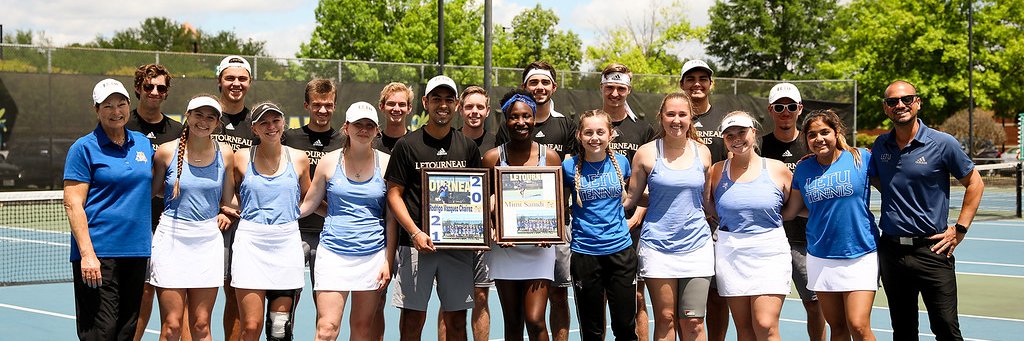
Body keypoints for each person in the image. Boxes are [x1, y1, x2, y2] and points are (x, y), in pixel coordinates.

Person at [868, 80, 984, 340]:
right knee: (903, 330)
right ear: (886, 109)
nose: (900, 105)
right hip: (892, 251)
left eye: (907, 99)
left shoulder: (943, 143)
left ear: (917, 103)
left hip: (932, 250)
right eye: (892, 102)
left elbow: (975, 182)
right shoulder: (880, 146)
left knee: (946, 328)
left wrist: (960, 229)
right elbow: (873, 177)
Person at [385, 75, 482, 341]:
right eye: (436, 99)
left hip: (457, 248)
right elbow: (394, 195)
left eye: (448, 100)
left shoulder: (468, 147)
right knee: (413, 321)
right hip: (415, 245)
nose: (443, 105)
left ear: (457, 105)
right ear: (426, 103)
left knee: (456, 322)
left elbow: (479, 195)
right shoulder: (407, 145)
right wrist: (415, 232)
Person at [63, 78, 155, 340]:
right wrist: (87, 255)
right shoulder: (83, 148)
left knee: (127, 329)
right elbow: (73, 203)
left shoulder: (142, 144)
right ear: (96, 110)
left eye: (121, 104)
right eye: (108, 106)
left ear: (129, 106)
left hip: (136, 250)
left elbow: (151, 185)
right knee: (101, 332)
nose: (116, 111)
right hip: (99, 253)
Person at [298, 102, 397, 341]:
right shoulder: (329, 161)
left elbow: (391, 219)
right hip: (332, 255)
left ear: (377, 130)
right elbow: (310, 204)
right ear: (346, 127)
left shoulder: (386, 163)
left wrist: (388, 260)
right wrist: (277, 217)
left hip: (372, 256)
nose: (363, 129)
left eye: (369, 125)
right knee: (326, 329)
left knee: (362, 330)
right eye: (357, 124)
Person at [624, 92, 714, 341]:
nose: (676, 120)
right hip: (657, 248)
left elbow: (706, 201)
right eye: (670, 114)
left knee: (694, 322)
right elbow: (631, 199)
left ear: (691, 118)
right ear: (661, 117)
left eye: (682, 114)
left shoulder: (703, 153)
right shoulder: (645, 153)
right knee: (665, 319)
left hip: (697, 247)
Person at [783, 109, 878, 341]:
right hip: (820, 256)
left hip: (860, 253)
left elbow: (894, 187)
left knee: (858, 325)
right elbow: (792, 210)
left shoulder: (860, 158)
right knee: (837, 326)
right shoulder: (804, 168)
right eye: (812, 135)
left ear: (836, 133)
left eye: (825, 132)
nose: (819, 139)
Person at [150, 95, 236, 341]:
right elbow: (154, 191)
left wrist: (234, 212)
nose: (203, 121)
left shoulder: (226, 154)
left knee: (200, 325)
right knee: (172, 326)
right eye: (198, 114)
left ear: (218, 123)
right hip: (171, 240)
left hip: (207, 242)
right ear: (187, 116)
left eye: (211, 117)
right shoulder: (166, 152)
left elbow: (228, 200)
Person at [503, 61, 578, 341]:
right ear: (525, 87)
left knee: (557, 298)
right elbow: (497, 190)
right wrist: (500, 226)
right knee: (514, 321)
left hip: (552, 233)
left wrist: (551, 226)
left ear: (554, 87)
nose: (539, 87)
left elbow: (565, 185)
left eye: (545, 82)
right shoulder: (506, 133)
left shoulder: (566, 126)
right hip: (510, 242)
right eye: (533, 82)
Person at [482, 89, 561, 341]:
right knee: (513, 323)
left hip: (540, 248)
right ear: (506, 120)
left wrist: (552, 230)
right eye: (514, 117)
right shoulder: (493, 157)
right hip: (505, 249)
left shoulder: (549, 157)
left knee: (536, 321)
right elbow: (484, 205)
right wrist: (494, 230)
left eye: (526, 116)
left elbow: (558, 201)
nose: (521, 122)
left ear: (534, 118)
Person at [708, 111, 792, 341]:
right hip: (730, 252)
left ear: (753, 132)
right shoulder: (715, 171)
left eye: (742, 132)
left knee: (765, 325)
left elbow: (793, 207)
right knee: (744, 329)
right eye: (729, 135)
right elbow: (710, 206)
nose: (736, 138)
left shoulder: (777, 169)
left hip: (770, 250)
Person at [231, 102, 311, 341]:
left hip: (286, 244)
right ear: (254, 128)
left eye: (275, 120)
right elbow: (232, 194)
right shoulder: (241, 157)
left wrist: (290, 215)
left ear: (283, 123)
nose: (271, 126)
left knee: (279, 327)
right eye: (264, 122)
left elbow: (306, 195)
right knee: (251, 327)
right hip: (250, 244)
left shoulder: (299, 159)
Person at [758, 83, 826, 341]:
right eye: (779, 107)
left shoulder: (813, 143)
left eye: (790, 106)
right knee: (766, 313)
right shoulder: (759, 146)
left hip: (807, 241)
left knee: (815, 305)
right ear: (770, 110)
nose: (784, 112)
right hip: (769, 241)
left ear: (800, 109)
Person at [125, 63, 186, 341]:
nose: (154, 92)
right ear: (138, 88)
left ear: (166, 92)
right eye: (148, 86)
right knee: (142, 290)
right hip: (131, 224)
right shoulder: (122, 125)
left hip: (172, 225)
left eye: (160, 87)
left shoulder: (178, 130)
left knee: (175, 292)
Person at [564, 109, 636, 341]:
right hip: (585, 254)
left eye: (600, 132)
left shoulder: (623, 163)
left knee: (625, 327)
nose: (594, 137)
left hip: (620, 252)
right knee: (592, 330)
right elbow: (555, 204)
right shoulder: (568, 168)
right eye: (588, 132)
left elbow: (635, 196)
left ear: (611, 134)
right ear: (579, 136)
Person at [598, 63, 655, 340]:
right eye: (610, 87)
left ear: (628, 90)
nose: (615, 93)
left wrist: (637, 215)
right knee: (600, 299)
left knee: (637, 297)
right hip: (596, 229)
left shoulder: (642, 130)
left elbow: (651, 178)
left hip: (632, 227)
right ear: (602, 89)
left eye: (621, 88)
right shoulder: (590, 126)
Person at [678, 59, 731, 341]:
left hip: (717, 221)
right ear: (682, 84)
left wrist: (719, 211)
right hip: (681, 221)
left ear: (711, 83)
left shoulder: (725, 122)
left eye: (702, 78)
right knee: (682, 302)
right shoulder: (673, 119)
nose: (696, 83)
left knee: (717, 294)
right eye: (690, 78)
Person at [439, 85, 496, 341]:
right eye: (469, 106)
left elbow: (501, 188)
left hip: (485, 233)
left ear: (487, 111)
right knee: (450, 299)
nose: (474, 112)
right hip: (451, 231)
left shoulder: (497, 143)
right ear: (460, 109)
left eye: (479, 107)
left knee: (481, 296)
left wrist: (490, 212)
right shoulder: (449, 140)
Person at [283, 79, 344, 293]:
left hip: (330, 233)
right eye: (317, 104)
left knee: (326, 300)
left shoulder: (345, 141)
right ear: (306, 106)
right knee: (286, 296)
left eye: (328, 105)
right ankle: (283, 329)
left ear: (335, 106)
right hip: (293, 230)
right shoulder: (288, 138)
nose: (323, 110)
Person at [213, 55, 255, 341]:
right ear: (219, 81)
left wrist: (234, 206)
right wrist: (218, 207)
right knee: (194, 289)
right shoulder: (203, 118)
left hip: (243, 221)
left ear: (249, 82)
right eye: (230, 77)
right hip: (204, 220)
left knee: (235, 289)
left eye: (242, 78)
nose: (236, 83)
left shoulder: (257, 123)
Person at [377, 82, 415, 152]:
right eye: (391, 104)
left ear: (409, 108)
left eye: (402, 104)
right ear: (381, 107)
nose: (396, 109)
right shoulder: (373, 144)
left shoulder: (416, 142)